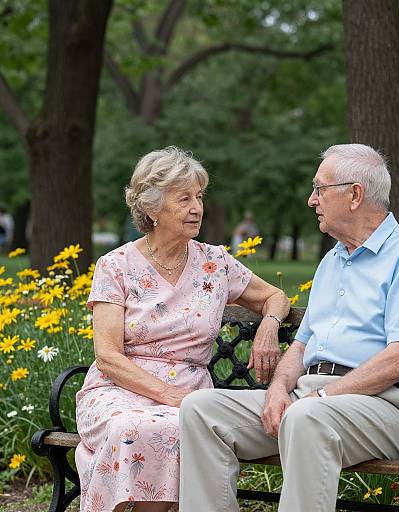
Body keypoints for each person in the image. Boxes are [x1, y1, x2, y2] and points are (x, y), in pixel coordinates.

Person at [179, 143, 399, 512]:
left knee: (306, 418)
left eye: (319, 189)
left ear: (354, 195)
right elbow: (302, 347)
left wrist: (321, 398)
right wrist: (277, 390)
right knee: (200, 410)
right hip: (312, 401)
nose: (311, 200)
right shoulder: (333, 260)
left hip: (385, 408)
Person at [75, 146, 290, 512]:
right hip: (120, 389)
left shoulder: (215, 262)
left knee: (181, 429)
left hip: (190, 391)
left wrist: (269, 325)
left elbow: (275, 296)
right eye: (184, 198)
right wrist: (169, 396)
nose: (197, 207)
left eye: (200, 196)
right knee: (136, 428)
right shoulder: (116, 265)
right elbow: (108, 357)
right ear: (152, 208)